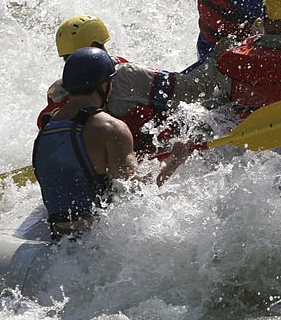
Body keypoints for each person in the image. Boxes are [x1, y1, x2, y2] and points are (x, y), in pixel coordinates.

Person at [32, 48, 192, 239]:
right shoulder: (111, 128)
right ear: (105, 84)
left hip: (57, 237)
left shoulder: (48, 126)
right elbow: (137, 192)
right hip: (94, 241)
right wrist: (175, 158)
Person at [40, 15, 175, 157]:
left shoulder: (56, 94)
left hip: (98, 163)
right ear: (94, 47)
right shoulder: (126, 75)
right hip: (152, 155)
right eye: (101, 45)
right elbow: (183, 89)